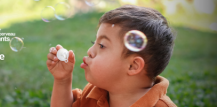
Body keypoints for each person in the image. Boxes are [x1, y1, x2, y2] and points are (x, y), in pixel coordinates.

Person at [46, 5, 177, 107]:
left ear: (132, 66)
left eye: (101, 45)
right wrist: (62, 80)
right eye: (94, 43)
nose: (90, 51)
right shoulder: (92, 95)